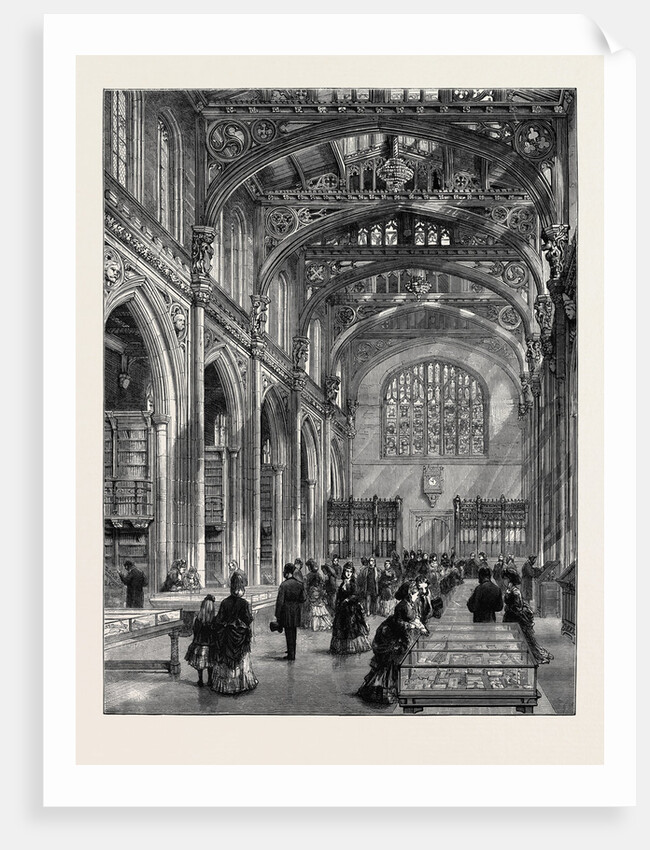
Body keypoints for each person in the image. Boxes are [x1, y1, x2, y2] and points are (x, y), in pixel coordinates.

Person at [357, 580, 429, 705]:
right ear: (409, 594)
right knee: (391, 665)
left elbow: (415, 617)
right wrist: (411, 627)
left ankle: (398, 688)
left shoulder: (411, 604)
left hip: (404, 635)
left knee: (399, 663)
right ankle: (384, 693)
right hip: (395, 637)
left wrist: (421, 626)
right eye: (415, 593)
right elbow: (398, 623)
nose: (417, 595)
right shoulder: (402, 606)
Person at [211, 573, 258, 693]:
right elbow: (248, 620)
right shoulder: (244, 603)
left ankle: (226, 686)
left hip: (227, 637)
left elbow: (219, 620)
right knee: (241, 661)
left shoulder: (225, 602)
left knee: (226, 662)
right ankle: (241, 685)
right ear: (241, 588)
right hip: (240, 637)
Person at [502, 566, 553, 664]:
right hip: (511, 617)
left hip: (516, 619)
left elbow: (518, 607)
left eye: (505, 578)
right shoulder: (510, 589)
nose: (503, 580)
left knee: (524, 640)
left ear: (509, 579)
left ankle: (532, 657)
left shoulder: (515, 591)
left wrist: (509, 608)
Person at [330, 562, 371, 655]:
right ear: (344, 572)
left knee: (352, 628)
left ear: (352, 573)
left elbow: (356, 595)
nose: (348, 573)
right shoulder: (342, 584)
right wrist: (337, 605)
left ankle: (352, 647)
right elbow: (339, 597)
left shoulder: (353, 584)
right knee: (341, 627)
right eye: (347, 571)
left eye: (350, 572)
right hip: (342, 610)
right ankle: (342, 648)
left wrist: (348, 599)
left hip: (352, 609)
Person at [272, 563, 307, 660]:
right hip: (296, 612)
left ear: (287, 573)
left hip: (286, 613)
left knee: (288, 634)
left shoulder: (283, 585)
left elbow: (280, 602)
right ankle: (293, 654)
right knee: (294, 633)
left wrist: (277, 616)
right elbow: (303, 598)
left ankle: (290, 655)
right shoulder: (300, 584)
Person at [184, 594, 216, 687]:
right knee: (210, 664)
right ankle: (210, 680)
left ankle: (200, 680)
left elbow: (195, 631)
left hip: (199, 645)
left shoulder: (198, 619)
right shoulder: (213, 619)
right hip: (210, 645)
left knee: (200, 665)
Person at [304, 562, 333, 631]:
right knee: (320, 609)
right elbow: (322, 584)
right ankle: (322, 624)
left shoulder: (308, 575)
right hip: (317, 592)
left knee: (314, 609)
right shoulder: (319, 575)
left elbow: (306, 585)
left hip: (313, 593)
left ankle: (315, 626)